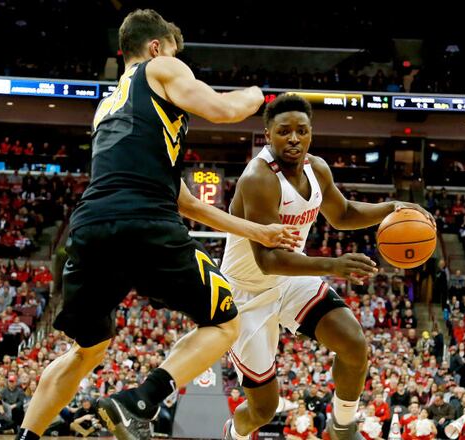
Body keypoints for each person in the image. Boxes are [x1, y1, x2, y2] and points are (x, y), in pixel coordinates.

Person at [18, 9, 288, 440]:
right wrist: (260, 94)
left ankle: (26, 436)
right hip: (143, 222)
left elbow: (184, 201)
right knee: (223, 322)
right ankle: (140, 400)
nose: (184, 71)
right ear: (158, 47)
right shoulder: (160, 67)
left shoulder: (108, 106)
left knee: (85, 350)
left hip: (90, 228)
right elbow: (222, 110)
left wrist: (256, 232)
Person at [220, 94, 433, 440]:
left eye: (301, 131)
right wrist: (334, 265)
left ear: (311, 133)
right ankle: (235, 431)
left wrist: (392, 207)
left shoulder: (316, 168)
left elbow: (344, 214)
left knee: (353, 343)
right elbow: (268, 259)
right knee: (264, 410)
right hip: (248, 291)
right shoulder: (258, 178)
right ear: (268, 134)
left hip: (290, 279)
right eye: (283, 131)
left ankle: (342, 426)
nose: (293, 139)